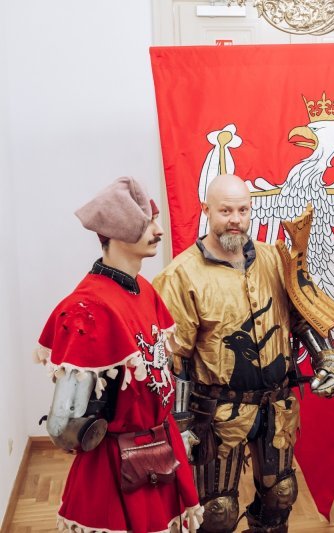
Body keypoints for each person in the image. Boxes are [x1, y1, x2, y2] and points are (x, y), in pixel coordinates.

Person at [153, 174, 334, 533]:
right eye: (225, 211)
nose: (236, 219)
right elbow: (175, 358)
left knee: (281, 494)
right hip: (216, 412)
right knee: (217, 512)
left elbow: (300, 318)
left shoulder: (274, 258)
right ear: (206, 210)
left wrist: (326, 359)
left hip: (275, 404)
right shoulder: (181, 275)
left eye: (243, 210)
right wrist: (180, 424)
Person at [35, 176, 203, 533]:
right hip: (117, 462)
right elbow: (65, 426)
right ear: (118, 230)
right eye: (148, 223)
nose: (159, 231)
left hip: (161, 444)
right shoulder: (88, 306)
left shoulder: (143, 288)